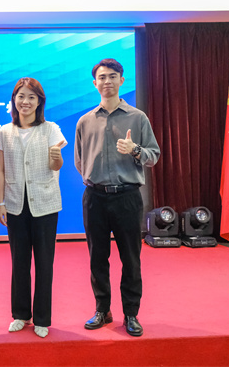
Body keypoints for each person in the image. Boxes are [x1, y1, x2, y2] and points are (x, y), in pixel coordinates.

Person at [74, 58, 160, 337]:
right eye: (102, 77)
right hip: (95, 198)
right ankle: (102, 310)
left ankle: (131, 314)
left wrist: (135, 150)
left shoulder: (138, 118)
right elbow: (79, 161)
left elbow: (153, 156)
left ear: (122, 80)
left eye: (112, 76)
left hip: (127, 198)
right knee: (97, 258)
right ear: (94, 83)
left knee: (131, 259)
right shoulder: (85, 121)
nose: (107, 81)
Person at [0, 77, 66, 339]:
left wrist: (57, 159)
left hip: (45, 204)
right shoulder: (4, 131)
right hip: (15, 204)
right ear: (14, 100)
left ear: (40, 102)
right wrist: (1, 202)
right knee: (19, 262)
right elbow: (1, 170)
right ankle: (21, 314)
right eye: (21, 96)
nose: (25, 102)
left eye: (31, 97)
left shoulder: (51, 129)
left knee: (45, 262)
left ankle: (42, 318)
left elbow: (56, 166)